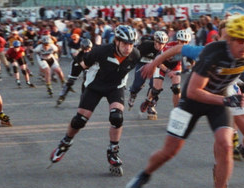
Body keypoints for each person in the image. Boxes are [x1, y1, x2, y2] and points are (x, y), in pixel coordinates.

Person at [121, 15, 244, 188]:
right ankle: (143, 176)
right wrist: (155, 63)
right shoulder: (211, 53)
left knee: (225, 144)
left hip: (219, 100)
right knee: (170, 151)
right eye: (239, 40)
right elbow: (195, 91)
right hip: (192, 101)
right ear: (228, 39)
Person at [48, 25, 141, 176]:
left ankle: (113, 151)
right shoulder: (100, 51)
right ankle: (65, 142)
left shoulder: (135, 54)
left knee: (117, 117)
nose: (128, 48)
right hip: (95, 86)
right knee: (80, 121)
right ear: (116, 41)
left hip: (115, 87)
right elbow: (82, 65)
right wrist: (71, 81)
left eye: (131, 44)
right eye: (124, 43)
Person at [139, 29, 192, 120]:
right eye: (180, 41)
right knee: (156, 90)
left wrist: (191, 65)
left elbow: (192, 61)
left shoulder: (189, 48)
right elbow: (158, 62)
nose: (182, 44)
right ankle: (148, 101)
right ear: (177, 40)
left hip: (175, 66)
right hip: (161, 65)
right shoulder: (169, 47)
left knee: (176, 88)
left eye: (185, 42)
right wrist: (168, 71)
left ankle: (177, 112)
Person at [127, 30, 168, 111]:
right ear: (155, 41)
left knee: (155, 86)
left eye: (163, 44)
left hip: (155, 66)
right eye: (159, 43)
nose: (161, 46)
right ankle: (133, 93)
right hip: (142, 63)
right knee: (138, 83)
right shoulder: (146, 45)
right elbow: (134, 54)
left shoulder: (165, 50)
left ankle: (151, 104)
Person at [56, 38, 93, 105]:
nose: (87, 51)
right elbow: (84, 66)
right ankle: (62, 95)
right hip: (78, 64)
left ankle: (83, 98)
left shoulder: (93, 52)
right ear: (82, 48)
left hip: (88, 64)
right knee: (71, 81)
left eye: (88, 49)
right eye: (85, 49)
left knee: (86, 79)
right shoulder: (79, 55)